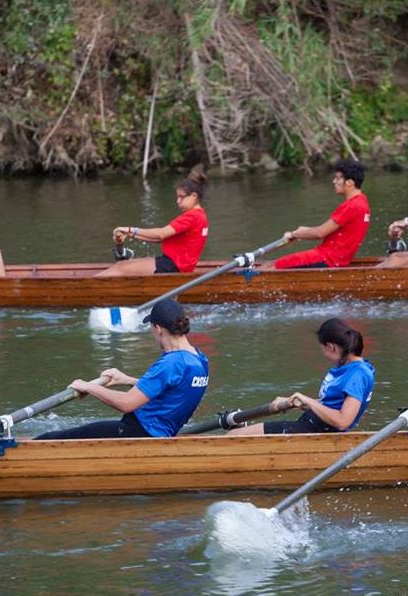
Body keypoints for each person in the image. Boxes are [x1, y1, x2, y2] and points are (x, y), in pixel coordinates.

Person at [34, 299, 208, 439]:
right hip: (160, 434)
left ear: (158, 328)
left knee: (53, 438)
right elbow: (174, 389)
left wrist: (89, 386)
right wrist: (127, 380)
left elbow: (126, 404)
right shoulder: (199, 359)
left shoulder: (171, 362)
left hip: (138, 434)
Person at [228, 319, 374, 435]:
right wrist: (295, 402)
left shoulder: (357, 374)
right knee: (235, 433)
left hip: (315, 432)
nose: (325, 355)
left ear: (331, 347)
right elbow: (331, 405)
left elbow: (343, 421)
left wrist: (307, 400)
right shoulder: (350, 368)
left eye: (324, 350)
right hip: (309, 427)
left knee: (234, 437)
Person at [97, 170, 209, 276]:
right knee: (121, 265)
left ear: (194, 196)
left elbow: (160, 234)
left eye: (181, 197)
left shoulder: (192, 216)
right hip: (173, 264)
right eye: (177, 197)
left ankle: (81, 289)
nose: (177, 201)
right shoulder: (200, 216)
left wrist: (129, 229)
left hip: (173, 266)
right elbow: (159, 239)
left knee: (119, 268)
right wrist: (129, 234)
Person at [265, 159, 370, 269]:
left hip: (328, 258)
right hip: (337, 259)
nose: (334, 181)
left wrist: (294, 234)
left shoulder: (351, 206)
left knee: (271, 266)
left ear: (349, 182)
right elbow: (327, 231)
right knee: (272, 264)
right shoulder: (362, 201)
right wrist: (301, 231)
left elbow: (319, 233)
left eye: (338, 178)